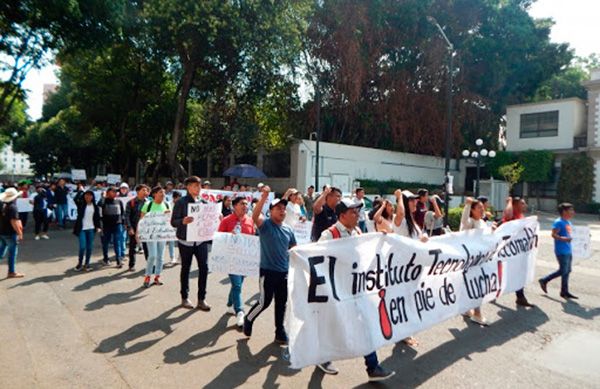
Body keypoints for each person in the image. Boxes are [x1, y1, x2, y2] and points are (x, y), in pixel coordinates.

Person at [316, 198, 396, 381]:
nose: (357, 214)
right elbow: (316, 259)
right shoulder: (330, 235)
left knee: (365, 324)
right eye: (353, 212)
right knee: (333, 327)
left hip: (356, 290)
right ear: (342, 215)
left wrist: (379, 239)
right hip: (336, 292)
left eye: (357, 211)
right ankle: (323, 357)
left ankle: (372, 366)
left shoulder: (358, 231)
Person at [244, 187, 296, 345]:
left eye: (284, 208)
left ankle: (279, 331)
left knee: (282, 303)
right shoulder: (265, 225)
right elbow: (254, 215)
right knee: (264, 302)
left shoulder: (288, 229)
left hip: (284, 273)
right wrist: (264, 197)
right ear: (270, 211)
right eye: (278, 208)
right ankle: (248, 318)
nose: (282, 211)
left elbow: (294, 249)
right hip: (267, 272)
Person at [171, 176, 211, 311]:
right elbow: (173, 221)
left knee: (204, 269)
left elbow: (209, 220)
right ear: (188, 187)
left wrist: (217, 217)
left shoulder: (204, 202)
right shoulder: (181, 202)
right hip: (185, 241)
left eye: (199, 186)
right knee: (186, 269)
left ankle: (201, 299)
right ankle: (184, 297)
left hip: (201, 242)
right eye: (195, 186)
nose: (198, 188)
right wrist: (183, 221)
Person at [218, 196, 255, 328]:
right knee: (237, 286)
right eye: (242, 204)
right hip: (231, 258)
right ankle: (240, 312)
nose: (245, 206)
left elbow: (252, 239)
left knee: (237, 284)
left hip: (244, 260)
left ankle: (230, 305)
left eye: (246, 204)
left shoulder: (250, 220)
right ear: (234, 206)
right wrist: (230, 236)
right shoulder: (227, 221)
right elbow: (218, 240)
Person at [460, 197, 491, 325]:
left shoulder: (482, 222)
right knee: (476, 286)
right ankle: (477, 314)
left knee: (474, 286)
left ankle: (467, 309)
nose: (482, 210)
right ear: (472, 211)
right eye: (479, 208)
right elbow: (464, 222)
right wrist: (467, 205)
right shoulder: (470, 222)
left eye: (482, 208)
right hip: (472, 261)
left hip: (481, 260)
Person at [539, 203, 578, 299]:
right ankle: (544, 280)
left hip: (568, 250)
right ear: (564, 211)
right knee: (563, 270)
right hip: (561, 250)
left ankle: (564, 291)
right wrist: (562, 239)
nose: (573, 212)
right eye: (571, 210)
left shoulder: (568, 222)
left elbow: (572, 235)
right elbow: (553, 234)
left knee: (567, 271)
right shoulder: (559, 222)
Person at [502, 196, 535, 307]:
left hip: (519, 251)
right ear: (515, 205)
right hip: (509, 251)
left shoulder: (521, 216)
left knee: (519, 273)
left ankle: (520, 297)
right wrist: (510, 201)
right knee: (507, 273)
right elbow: (507, 215)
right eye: (522, 204)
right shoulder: (512, 215)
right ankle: (519, 297)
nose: (525, 206)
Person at [140, 186, 170, 287]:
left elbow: (169, 220)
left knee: (160, 257)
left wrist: (168, 215)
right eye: (161, 192)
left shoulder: (167, 204)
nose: (163, 194)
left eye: (164, 193)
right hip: (151, 235)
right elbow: (142, 220)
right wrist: (138, 233)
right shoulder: (148, 205)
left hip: (162, 234)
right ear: (154, 194)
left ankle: (157, 276)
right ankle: (147, 276)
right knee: (152, 255)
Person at [72, 191, 101, 271]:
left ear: (92, 197)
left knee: (89, 247)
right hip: (82, 229)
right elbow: (75, 199)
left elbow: (97, 217)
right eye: (86, 195)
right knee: (82, 247)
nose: (88, 197)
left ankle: (87, 264)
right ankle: (80, 263)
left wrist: (98, 227)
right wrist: (80, 191)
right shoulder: (81, 204)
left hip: (91, 229)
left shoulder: (95, 206)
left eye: (90, 195)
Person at [0, 188, 24, 278]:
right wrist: (19, 233)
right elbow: (13, 221)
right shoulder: (13, 207)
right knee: (12, 253)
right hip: (10, 233)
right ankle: (11, 272)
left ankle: (11, 271)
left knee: (1, 251)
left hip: (2, 231)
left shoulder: (3, 205)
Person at [98, 186, 125, 267]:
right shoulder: (103, 201)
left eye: (116, 191)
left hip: (117, 225)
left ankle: (118, 260)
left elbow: (122, 213)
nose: (115, 193)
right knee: (105, 243)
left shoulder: (119, 201)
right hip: (106, 226)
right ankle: (105, 259)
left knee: (117, 242)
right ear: (108, 192)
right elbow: (99, 206)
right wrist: (103, 197)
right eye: (113, 191)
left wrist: (123, 224)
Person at [125, 184, 149, 271]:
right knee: (132, 247)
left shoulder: (149, 203)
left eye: (146, 190)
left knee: (147, 247)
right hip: (134, 228)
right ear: (138, 191)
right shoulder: (131, 203)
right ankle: (131, 265)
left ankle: (149, 264)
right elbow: (127, 216)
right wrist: (129, 227)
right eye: (143, 190)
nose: (146, 192)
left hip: (146, 229)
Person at [167, 191, 182, 265]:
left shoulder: (182, 204)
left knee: (181, 242)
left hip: (180, 225)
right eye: (177, 198)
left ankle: (180, 257)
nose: (179, 200)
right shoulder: (168, 204)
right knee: (171, 242)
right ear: (174, 198)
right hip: (170, 225)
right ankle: (172, 257)